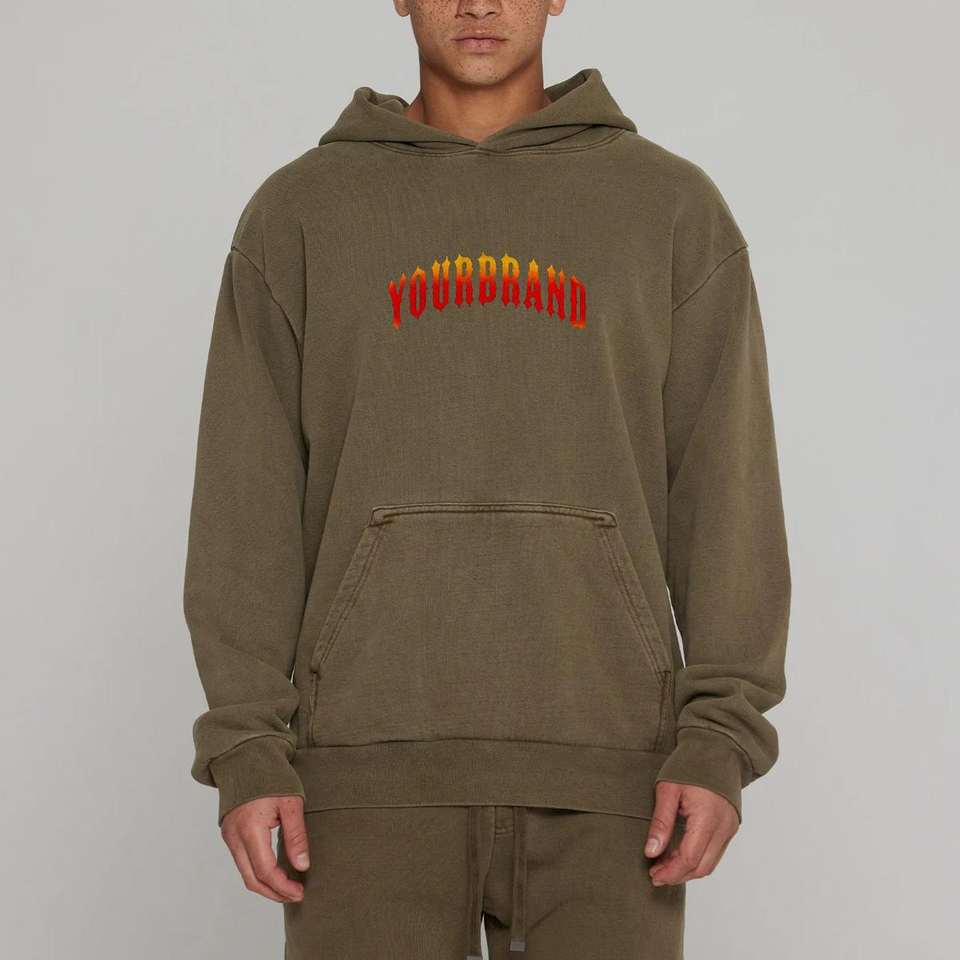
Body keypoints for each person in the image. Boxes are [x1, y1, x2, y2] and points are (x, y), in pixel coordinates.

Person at [182, 1, 791, 957]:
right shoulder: (301, 213)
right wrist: (247, 746)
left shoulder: (669, 208)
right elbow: (243, 503)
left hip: (612, 776)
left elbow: (727, 491)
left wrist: (721, 735)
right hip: (363, 778)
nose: (478, 2)